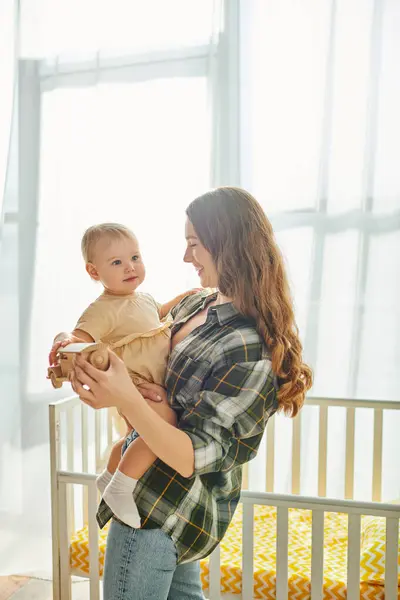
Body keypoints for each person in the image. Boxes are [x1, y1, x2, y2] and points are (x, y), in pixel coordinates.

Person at [69, 187, 313, 600]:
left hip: (161, 511)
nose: (186, 258)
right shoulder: (195, 305)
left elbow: (190, 456)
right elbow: (130, 334)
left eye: (194, 245)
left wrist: (126, 396)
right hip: (162, 506)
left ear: (228, 245)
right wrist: (77, 359)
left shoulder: (247, 348)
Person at [49, 222, 197, 528]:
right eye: (116, 262)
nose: (130, 267)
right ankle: (121, 487)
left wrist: (186, 297)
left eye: (135, 257)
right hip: (136, 386)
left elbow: (157, 314)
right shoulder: (103, 310)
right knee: (163, 426)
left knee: (138, 436)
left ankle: (108, 476)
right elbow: (78, 338)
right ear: (94, 272)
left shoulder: (141, 298)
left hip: (156, 383)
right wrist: (64, 339)